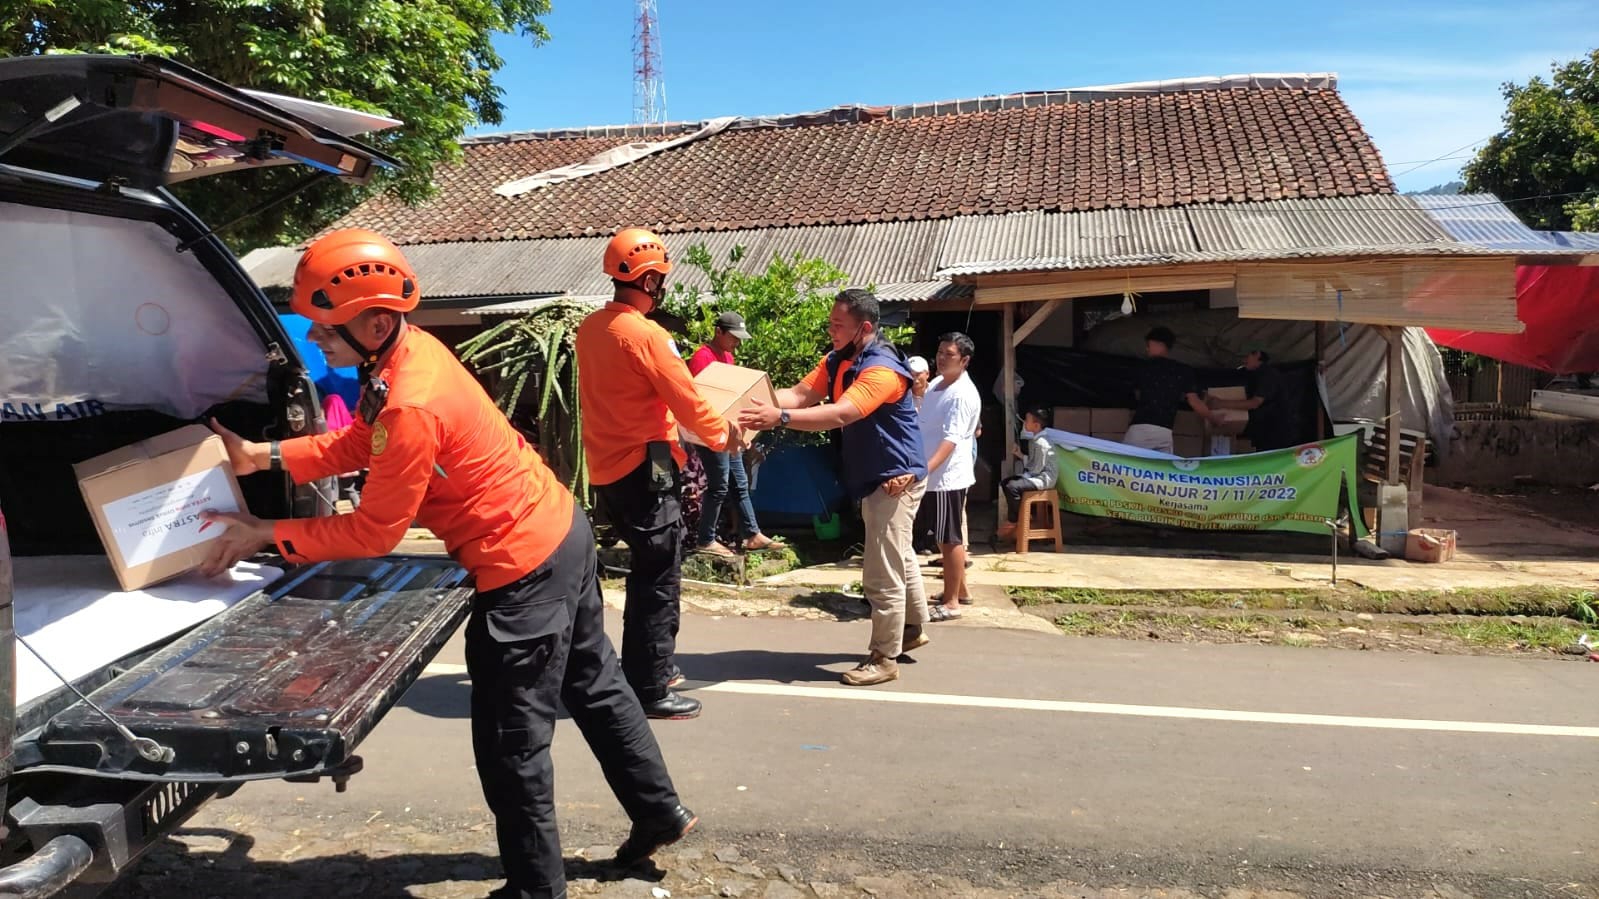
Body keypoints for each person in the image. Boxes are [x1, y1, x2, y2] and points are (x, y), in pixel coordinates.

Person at [196, 229, 697, 899]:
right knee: (596, 685)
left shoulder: (410, 397)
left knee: (509, 740)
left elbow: (375, 529)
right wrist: (267, 456)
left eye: (325, 329)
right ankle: (660, 811)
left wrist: (264, 533)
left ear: (375, 321)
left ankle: (535, 889)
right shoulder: (404, 356)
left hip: (519, 563)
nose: (313, 340)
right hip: (558, 527)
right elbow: (360, 443)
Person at [576, 227, 742, 721]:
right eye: (661, 280)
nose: (662, 287)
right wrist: (724, 436)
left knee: (645, 573)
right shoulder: (648, 335)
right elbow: (688, 401)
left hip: (606, 470)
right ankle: (650, 686)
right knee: (658, 579)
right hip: (645, 473)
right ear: (648, 281)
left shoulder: (591, 329)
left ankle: (644, 670)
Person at [739, 288, 931, 686]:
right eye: (830, 324)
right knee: (898, 554)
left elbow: (844, 412)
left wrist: (781, 417)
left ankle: (884, 657)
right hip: (880, 475)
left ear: (864, 328)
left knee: (881, 569)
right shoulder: (838, 360)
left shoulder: (880, 368)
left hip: (894, 478)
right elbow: (800, 394)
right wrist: (753, 403)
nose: (831, 331)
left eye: (838, 326)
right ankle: (910, 629)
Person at [686, 311, 782, 556]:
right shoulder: (702, 358)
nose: (737, 343)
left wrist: (742, 436)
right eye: (734, 337)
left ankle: (752, 535)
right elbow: (702, 401)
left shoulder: (727, 356)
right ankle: (705, 540)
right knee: (718, 486)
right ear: (719, 331)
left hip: (729, 432)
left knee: (739, 484)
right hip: (711, 434)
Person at [919, 333, 981, 621]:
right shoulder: (936, 384)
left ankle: (952, 602)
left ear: (964, 360)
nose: (942, 358)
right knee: (944, 538)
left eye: (949, 354)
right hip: (934, 475)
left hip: (946, 478)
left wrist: (925, 468)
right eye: (940, 351)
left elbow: (950, 440)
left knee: (950, 538)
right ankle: (960, 591)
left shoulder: (961, 394)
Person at [1127, 326, 1220, 454]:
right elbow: (1194, 402)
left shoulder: (1141, 368)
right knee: (1162, 472)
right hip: (1164, 432)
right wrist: (1213, 418)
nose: (1147, 349)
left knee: (1127, 469)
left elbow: (1135, 395)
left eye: (1148, 345)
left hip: (1140, 429)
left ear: (1157, 344)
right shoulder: (1183, 370)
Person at [1211, 348, 1294, 451]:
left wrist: (1221, 403)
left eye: (1247, 357)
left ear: (1257, 355)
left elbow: (1254, 403)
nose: (1244, 361)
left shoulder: (1267, 375)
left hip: (1275, 430)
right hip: (1265, 428)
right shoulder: (1256, 375)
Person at [996, 408, 1059, 542]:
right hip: (1036, 474)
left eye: (1027, 420)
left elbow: (1036, 469)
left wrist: (1023, 476)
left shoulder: (1042, 443)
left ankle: (1017, 518)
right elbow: (1032, 462)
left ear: (1036, 425)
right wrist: (1019, 455)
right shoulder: (1036, 439)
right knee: (1005, 483)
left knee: (1012, 486)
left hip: (1043, 479)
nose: (1025, 422)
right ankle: (1019, 515)